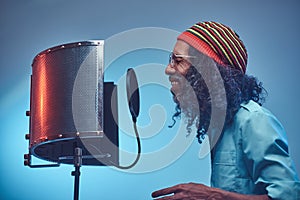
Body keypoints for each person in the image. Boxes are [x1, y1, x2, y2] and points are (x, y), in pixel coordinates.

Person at [151, 21, 300, 200]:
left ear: (208, 70)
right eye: (170, 60)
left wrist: (212, 196)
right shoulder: (219, 124)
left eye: (178, 60)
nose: (168, 69)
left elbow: (289, 196)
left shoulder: (254, 120)